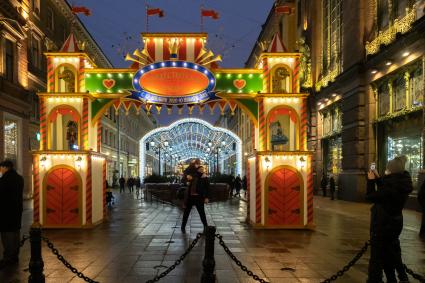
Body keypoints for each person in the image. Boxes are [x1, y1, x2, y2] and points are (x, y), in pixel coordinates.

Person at [366, 157, 412, 283]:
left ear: (391, 170)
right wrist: (379, 178)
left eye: (388, 168)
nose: (386, 170)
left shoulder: (391, 186)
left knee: (377, 256)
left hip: (382, 224)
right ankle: (400, 278)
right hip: (395, 222)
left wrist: (370, 181)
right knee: (392, 252)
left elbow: (370, 197)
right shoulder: (401, 182)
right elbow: (387, 192)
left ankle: (375, 280)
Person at [0, 160, 24, 269]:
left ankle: (8, 257)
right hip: (17, 210)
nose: (0, 170)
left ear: (6, 167)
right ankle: (15, 255)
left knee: (6, 234)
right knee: (15, 232)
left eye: (1, 168)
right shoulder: (19, 178)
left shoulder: (4, 180)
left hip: (5, 211)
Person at [181, 160, 209, 233]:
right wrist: (186, 180)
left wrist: (206, 197)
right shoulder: (192, 175)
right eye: (199, 168)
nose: (201, 170)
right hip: (190, 197)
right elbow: (183, 179)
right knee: (186, 213)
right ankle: (183, 226)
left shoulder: (204, 177)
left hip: (199, 197)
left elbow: (207, 188)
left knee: (202, 213)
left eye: (202, 169)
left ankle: (206, 226)